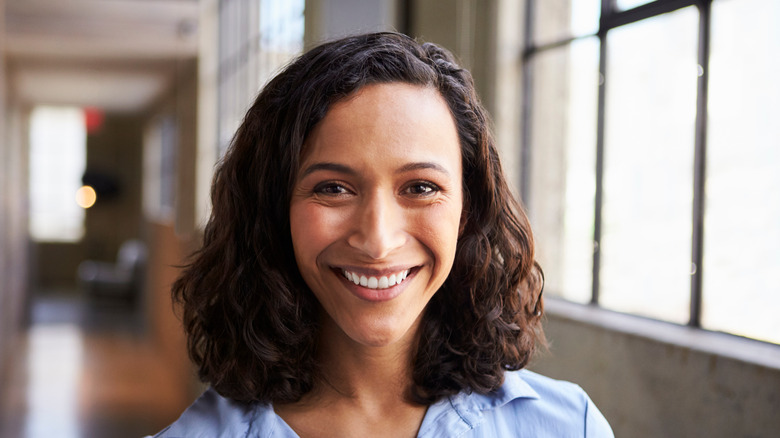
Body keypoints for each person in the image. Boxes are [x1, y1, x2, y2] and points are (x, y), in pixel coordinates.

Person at [151, 32, 614, 437]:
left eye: (420, 187)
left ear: (467, 209)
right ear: (275, 210)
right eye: (332, 188)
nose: (377, 240)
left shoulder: (572, 428)